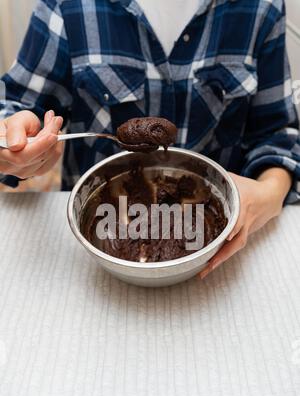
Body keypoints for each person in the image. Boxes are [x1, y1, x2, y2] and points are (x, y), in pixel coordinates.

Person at [0, 0, 299, 278]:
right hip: (96, 242)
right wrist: (15, 143)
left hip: (216, 252)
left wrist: (269, 193)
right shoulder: (69, 5)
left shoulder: (260, 7)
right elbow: (14, 104)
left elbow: (277, 133)